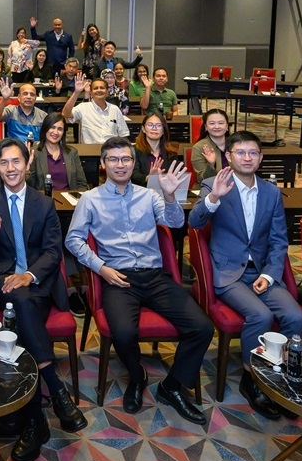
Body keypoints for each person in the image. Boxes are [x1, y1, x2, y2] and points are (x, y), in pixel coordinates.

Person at [66, 138, 213, 425]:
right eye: (113, 159)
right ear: (103, 164)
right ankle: (137, 376)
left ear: (134, 163)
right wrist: (101, 268)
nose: (120, 164)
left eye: (126, 159)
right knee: (121, 332)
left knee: (202, 327)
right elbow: (73, 240)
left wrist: (170, 197)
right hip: (118, 277)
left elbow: (173, 224)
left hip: (155, 276)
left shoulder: (150, 196)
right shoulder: (90, 199)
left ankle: (171, 387)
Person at [0, 139, 87, 461]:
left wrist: (29, 275)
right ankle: (56, 391)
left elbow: (52, 251)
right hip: (0, 280)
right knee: (17, 297)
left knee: (22, 305)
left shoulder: (43, 203)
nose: (10, 168)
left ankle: (35, 421)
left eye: (15, 162)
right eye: (4, 163)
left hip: (37, 284)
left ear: (27, 164)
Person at [188, 131, 302, 420]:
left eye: (253, 153)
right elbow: (194, 221)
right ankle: (253, 380)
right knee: (261, 316)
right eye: (241, 152)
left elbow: (279, 240)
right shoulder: (213, 185)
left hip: (262, 271)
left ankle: (282, 379)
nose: (247, 158)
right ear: (228, 156)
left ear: (261, 158)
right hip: (229, 273)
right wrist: (214, 197)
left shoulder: (271, 192)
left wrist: (270, 273)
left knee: (296, 317)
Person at [26, 112, 89, 316]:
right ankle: (71, 287)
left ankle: (84, 284)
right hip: (43, 209)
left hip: (70, 207)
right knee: (60, 236)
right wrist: (27, 169)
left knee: (75, 233)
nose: (55, 132)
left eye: (60, 128)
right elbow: (29, 186)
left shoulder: (71, 153)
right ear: (45, 130)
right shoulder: (35, 151)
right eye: (52, 128)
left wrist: (77, 199)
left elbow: (81, 184)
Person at [62, 73, 130, 144]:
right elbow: (65, 114)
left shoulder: (115, 109)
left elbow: (124, 135)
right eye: (95, 88)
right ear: (91, 93)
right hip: (90, 151)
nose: (99, 90)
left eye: (102, 88)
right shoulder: (83, 107)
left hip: (111, 151)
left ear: (107, 92)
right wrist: (77, 92)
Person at [131, 113, 183, 187]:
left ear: (163, 131)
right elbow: (133, 175)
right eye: (150, 125)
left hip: (165, 192)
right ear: (143, 129)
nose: (154, 128)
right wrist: (149, 178)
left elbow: (175, 175)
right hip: (141, 192)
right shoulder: (134, 151)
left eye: (158, 125)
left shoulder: (171, 153)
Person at [190, 108, 230, 181]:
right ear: (206, 127)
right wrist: (210, 164)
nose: (217, 127)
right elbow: (202, 180)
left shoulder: (235, 144)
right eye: (212, 123)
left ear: (227, 126)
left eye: (220, 123)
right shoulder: (199, 147)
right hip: (210, 189)